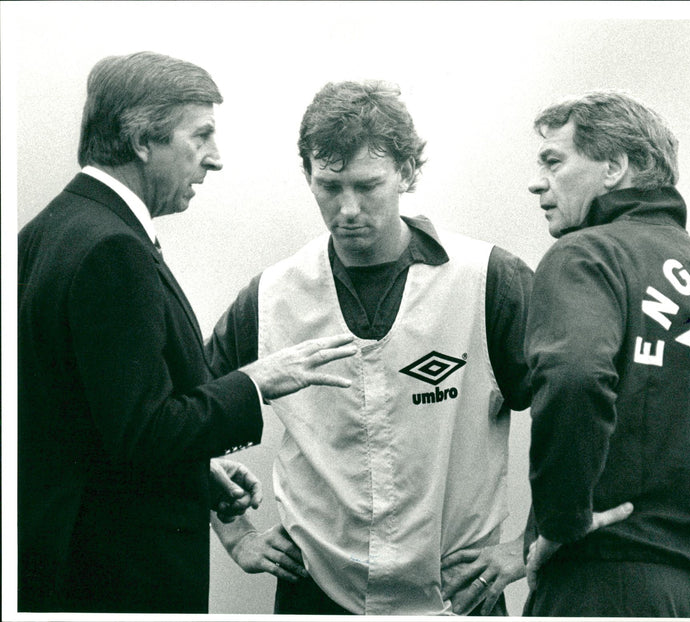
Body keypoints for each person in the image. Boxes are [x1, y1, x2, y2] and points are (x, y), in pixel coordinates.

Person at [17, 51, 357, 613]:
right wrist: (255, 381)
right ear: (142, 140)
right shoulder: (112, 249)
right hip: (116, 578)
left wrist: (192, 473)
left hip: (56, 565)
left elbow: (89, 426)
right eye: (200, 136)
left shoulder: (46, 231)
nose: (215, 159)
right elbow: (144, 432)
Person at [207, 79, 537, 616]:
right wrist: (236, 534)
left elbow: (572, 409)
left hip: (455, 595)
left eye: (368, 185)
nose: (349, 209)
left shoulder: (486, 280)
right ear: (308, 176)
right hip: (316, 591)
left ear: (407, 172)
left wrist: (530, 541)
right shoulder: (273, 295)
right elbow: (183, 412)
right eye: (330, 186)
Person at [522, 90, 690, 618]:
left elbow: (573, 376)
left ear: (614, 167)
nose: (537, 181)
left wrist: (562, 522)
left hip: (605, 579)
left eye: (554, 161)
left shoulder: (587, 254)